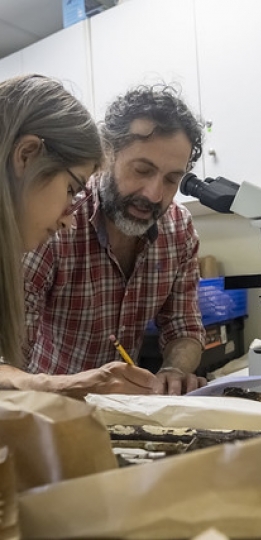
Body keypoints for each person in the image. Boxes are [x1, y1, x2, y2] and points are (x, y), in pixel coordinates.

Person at [1, 84, 207, 397]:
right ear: (107, 154)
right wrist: (67, 387)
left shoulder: (178, 230)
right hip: (47, 409)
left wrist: (174, 372)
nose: (154, 194)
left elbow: (185, 328)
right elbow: (7, 360)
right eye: (141, 169)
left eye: (171, 179)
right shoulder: (50, 218)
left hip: (122, 413)